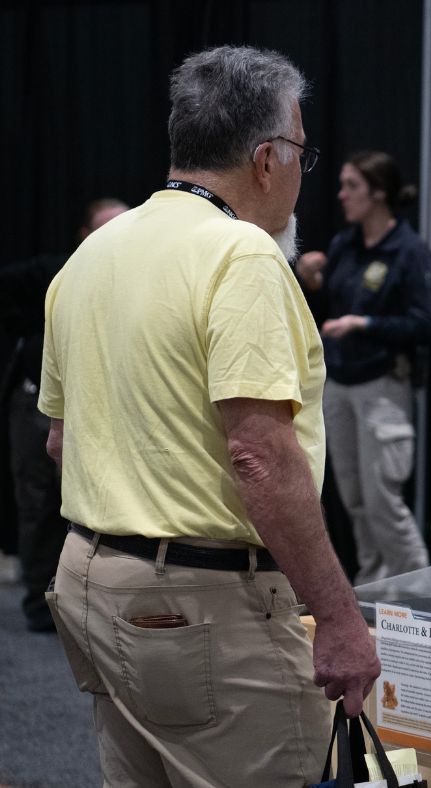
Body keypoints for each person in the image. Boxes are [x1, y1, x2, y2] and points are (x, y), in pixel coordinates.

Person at [39, 45, 379, 787]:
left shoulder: (92, 255)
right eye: (301, 152)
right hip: (203, 604)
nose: (302, 171)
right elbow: (259, 457)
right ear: (266, 158)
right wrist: (339, 617)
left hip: (90, 580)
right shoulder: (242, 257)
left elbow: (62, 442)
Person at [295, 150, 431, 586]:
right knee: (355, 500)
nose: (341, 194)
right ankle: (375, 590)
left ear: (378, 193)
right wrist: (310, 275)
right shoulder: (346, 244)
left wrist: (365, 324)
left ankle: (419, 594)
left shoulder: (409, 251)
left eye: (352, 186)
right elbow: (327, 298)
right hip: (339, 385)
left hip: (382, 387)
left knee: (382, 502)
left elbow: (428, 323)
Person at [0, 197, 128, 631]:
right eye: (105, 228)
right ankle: (41, 605)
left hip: (106, 404)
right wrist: (35, 331)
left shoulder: (139, 278)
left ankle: (92, 603)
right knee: (38, 503)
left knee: (97, 504)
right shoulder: (58, 271)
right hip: (39, 402)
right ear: (85, 235)